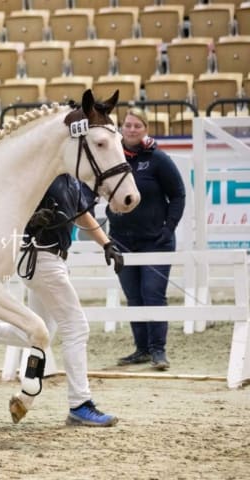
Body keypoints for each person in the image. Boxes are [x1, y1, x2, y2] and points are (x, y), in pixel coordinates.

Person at [0, 174, 123, 427]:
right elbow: (8, 209)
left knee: (37, 332)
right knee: (76, 327)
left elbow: (82, 213)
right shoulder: (44, 175)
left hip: (54, 259)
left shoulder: (71, 179)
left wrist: (106, 244)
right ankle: (80, 404)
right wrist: (30, 222)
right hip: (40, 257)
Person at [107, 107, 186, 371]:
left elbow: (178, 195)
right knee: (133, 296)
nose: (131, 129)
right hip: (121, 240)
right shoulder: (111, 157)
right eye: (127, 125)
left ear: (146, 129)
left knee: (153, 294)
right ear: (121, 127)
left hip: (156, 241)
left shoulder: (158, 159)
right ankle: (141, 349)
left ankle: (158, 351)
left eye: (137, 126)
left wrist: (169, 228)